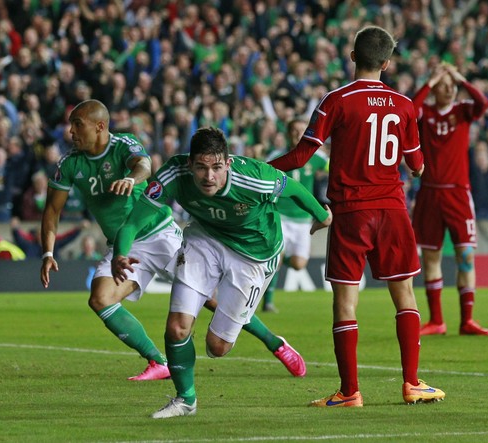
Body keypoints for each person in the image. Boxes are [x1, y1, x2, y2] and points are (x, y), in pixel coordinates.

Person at [41, 100, 305, 383]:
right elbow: (52, 211)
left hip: (160, 234)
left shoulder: (123, 144)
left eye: (77, 124)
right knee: (100, 299)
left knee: (214, 301)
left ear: (99, 126)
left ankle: (275, 343)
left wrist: (131, 179)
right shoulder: (70, 164)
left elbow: (143, 164)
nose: (71, 132)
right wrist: (47, 252)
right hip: (124, 245)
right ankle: (158, 361)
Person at [268, 26, 445, 407]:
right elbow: (416, 165)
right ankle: (412, 383)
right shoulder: (404, 105)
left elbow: (300, 157)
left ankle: (350, 392)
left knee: (345, 304)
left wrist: (258, 168)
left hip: (350, 212)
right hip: (392, 210)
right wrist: (415, 165)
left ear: (352, 56)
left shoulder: (336, 100)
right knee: (404, 295)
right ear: (386, 62)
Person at [112, 127, 332, 419]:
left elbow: (294, 188)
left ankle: (275, 341)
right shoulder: (172, 175)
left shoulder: (255, 176)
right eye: (201, 168)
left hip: (254, 254)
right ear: (189, 164)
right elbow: (133, 221)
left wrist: (322, 215)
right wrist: (120, 253)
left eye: (216, 167)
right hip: (206, 239)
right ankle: (185, 399)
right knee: (177, 327)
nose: (208, 176)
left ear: (228, 163)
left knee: (218, 348)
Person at [410, 62, 488, 336]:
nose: (446, 90)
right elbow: (409, 111)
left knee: (466, 256)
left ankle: (467, 320)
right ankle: (437, 321)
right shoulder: (426, 113)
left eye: (451, 86)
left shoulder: (463, 111)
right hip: (430, 193)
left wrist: (460, 77)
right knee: (431, 257)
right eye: (441, 86)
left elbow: (483, 102)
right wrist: (430, 82)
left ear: (457, 90)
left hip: (458, 192)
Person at [261, 118, 329, 313]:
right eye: (295, 130)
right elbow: (263, 172)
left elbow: (334, 167)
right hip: (280, 214)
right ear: (288, 133)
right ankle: (268, 302)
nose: (298, 134)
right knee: (276, 258)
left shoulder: (316, 157)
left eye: (302, 130)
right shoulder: (278, 155)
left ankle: (282, 261)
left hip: (302, 219)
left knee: (299, 264)